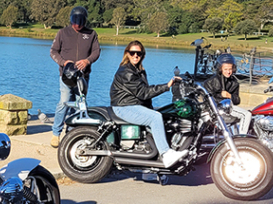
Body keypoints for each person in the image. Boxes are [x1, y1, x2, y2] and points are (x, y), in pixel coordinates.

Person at [110, 40, 188, 168]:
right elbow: (143, 93)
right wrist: (166, 86)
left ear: (143, 55)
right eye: (132, 52)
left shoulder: (138, 70)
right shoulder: (126, 72)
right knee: (155, 117)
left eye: (138, 53)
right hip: (123, 106)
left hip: (133, 104)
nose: (136, 55)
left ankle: (156, 158)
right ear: (127, 54)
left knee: (165, 113)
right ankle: (166, 154)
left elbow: (143, 95)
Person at [49, 6, 101, 148]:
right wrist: (63, 62)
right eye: (75, 21)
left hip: (83, 77)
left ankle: (72, 133)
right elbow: (53, 51)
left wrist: (87, 61)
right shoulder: (62, 33)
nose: (77, 25)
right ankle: (56, 133)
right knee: (64, 101)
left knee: (80, 105)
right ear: (71, 20)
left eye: (80, 21)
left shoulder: (91, 34)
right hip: (66, 75)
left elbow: (96, 51)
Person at [203, 53, 251, 134]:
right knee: (247, 114)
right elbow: (207, 99)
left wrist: (229, 96)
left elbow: (237, 101)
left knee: (249, 115)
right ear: (220, 69)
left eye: (230, 69)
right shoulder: (211, 81)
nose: (228, 72)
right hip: (216, 110)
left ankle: (237, 136)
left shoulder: (234, 83)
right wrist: (221, 102)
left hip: (229, 109)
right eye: (225, 69)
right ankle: (242, 138)